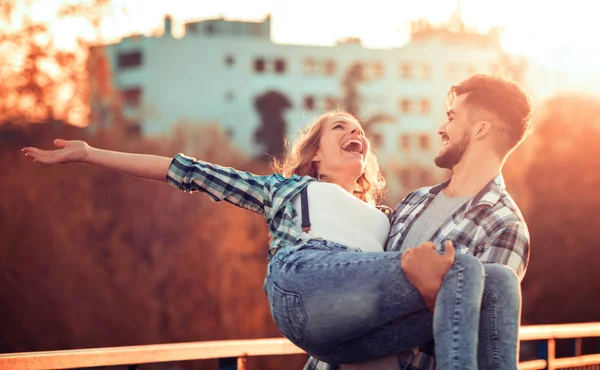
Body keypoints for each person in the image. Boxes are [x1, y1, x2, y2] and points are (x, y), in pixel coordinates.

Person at [21, 75, 525, 369]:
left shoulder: (390, 217)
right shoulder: (290, 190)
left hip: (353, 331)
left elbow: (402, 293)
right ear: (316, 157)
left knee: (496, 279)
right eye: (339, 129)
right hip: (303, 283)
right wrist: (89, 154)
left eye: (359, 131)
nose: (355, 133)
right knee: (463, 272)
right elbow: (186, 171)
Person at [305, 74, 532, 370]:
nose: (441, 129)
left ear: (481, 129)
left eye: (451, 118)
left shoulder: (504, 226)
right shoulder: (414, 201)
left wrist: (430, 288)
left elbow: (480, 341)